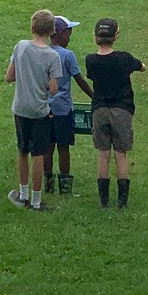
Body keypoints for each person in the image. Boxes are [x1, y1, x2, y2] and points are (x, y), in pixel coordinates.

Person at [85, 17, 144, 209]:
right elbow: (141, 66)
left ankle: (103, 200)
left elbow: (92, 77)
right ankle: (122, 200)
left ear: (95, 37)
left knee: (103, 154)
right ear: (116, 36)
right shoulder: (124, 58)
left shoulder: (91, 60)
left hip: (100, 110)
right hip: (122, 110)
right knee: (121, 153)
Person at [5, 9, 60, 212]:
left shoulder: (20, 47)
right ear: (52, 31)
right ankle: (36, 201)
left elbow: (9, 76)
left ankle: (22, 193)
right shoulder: (52, 56)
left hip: (20, 107)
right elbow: (53, 88)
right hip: (39, 111)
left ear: (32, 28)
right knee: (38, 154)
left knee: (22, 150)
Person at [44, 16, 93, 195]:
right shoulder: (67, 55)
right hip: (63, 109)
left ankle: (47, 185)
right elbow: (80, 80)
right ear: (60, 34)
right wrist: (95, 97)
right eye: (68, 33)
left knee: (48, 147)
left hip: (44, 109)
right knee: (63, 147)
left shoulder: (43, 52)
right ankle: (65, 187)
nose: (70, 37)